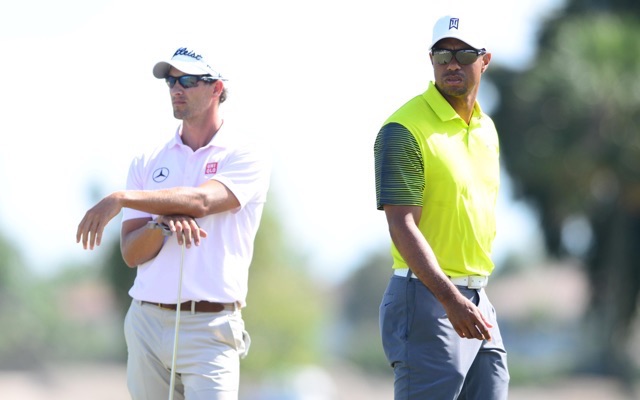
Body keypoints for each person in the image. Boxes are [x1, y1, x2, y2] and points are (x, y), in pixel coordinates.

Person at [76, 46, 271, 400]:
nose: (176, 88)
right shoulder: (148, 160)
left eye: (188, 80)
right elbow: (132, 254)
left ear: (217, 89)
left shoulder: (245, 154)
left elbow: (202, 201)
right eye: (170, 81)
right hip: (146, 324)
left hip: (210, 329)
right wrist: (161, 224)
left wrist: (121, 198)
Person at [373, 14, 510, 399]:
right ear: (430, 60)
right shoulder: (403, 129)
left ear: (484, 60)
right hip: (427, 298)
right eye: (442, 54)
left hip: (478, 297)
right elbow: (401, 225)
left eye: (464, 53)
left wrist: (467, 300)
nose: (452, 63)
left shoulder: (486, 129)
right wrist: (451, 300)